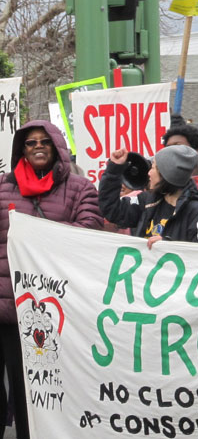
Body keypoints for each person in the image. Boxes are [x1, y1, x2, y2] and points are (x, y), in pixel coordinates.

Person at [0, 121, 103, 438]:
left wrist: (40, 239)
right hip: (4, 306)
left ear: (57, 145)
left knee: (38, 398)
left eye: (44, 141)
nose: (37, 146)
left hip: (50, 314)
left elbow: (88, 235)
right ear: (22, 150)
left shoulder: (80, 189)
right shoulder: (3, 189)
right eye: (30, 143)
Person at [100, 145, 198, 246]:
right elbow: (112, 210)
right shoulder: (147, 201)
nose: (148, 173)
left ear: (166, 175)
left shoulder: (196, 213)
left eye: (153, 168)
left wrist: (169, 246)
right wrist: (114, 169)